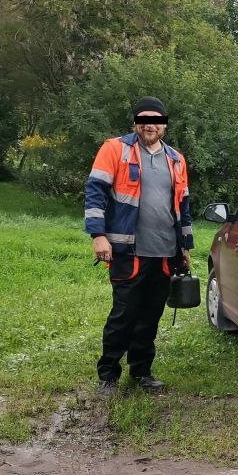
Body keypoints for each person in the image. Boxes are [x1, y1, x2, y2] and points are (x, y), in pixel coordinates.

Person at [84, 96, 193, 395]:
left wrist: (185, 247)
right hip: (127, 252)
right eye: (144, 119)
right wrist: (97, 235)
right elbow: (95, 192)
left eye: (156, 120)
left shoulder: (176, 159)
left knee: (150, 315)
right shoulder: (115, 149)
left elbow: (183, 206)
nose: (150, 125)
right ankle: (108, 375)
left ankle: (141, 371)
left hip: (164, 253)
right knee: (123, 315)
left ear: (164, 125)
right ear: (135, 122)